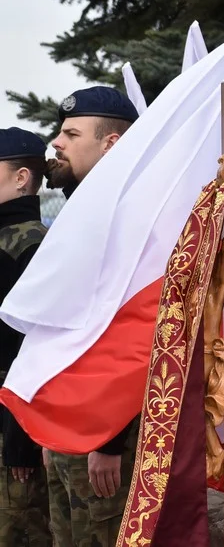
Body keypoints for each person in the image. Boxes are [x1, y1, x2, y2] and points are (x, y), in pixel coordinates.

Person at [43, 86, 138, 547]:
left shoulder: (125, 216)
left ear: (111, 143)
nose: (56, 143)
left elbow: (126, 330)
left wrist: (109, 440)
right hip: (68, 426)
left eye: (70, 133)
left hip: (99, 434)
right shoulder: (79, 211)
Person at [0, 128, 51, 545]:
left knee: (17, 527)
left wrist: (20, 440)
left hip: (12, 421)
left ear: (20, 178)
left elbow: (35, 347)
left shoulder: (31, 244)